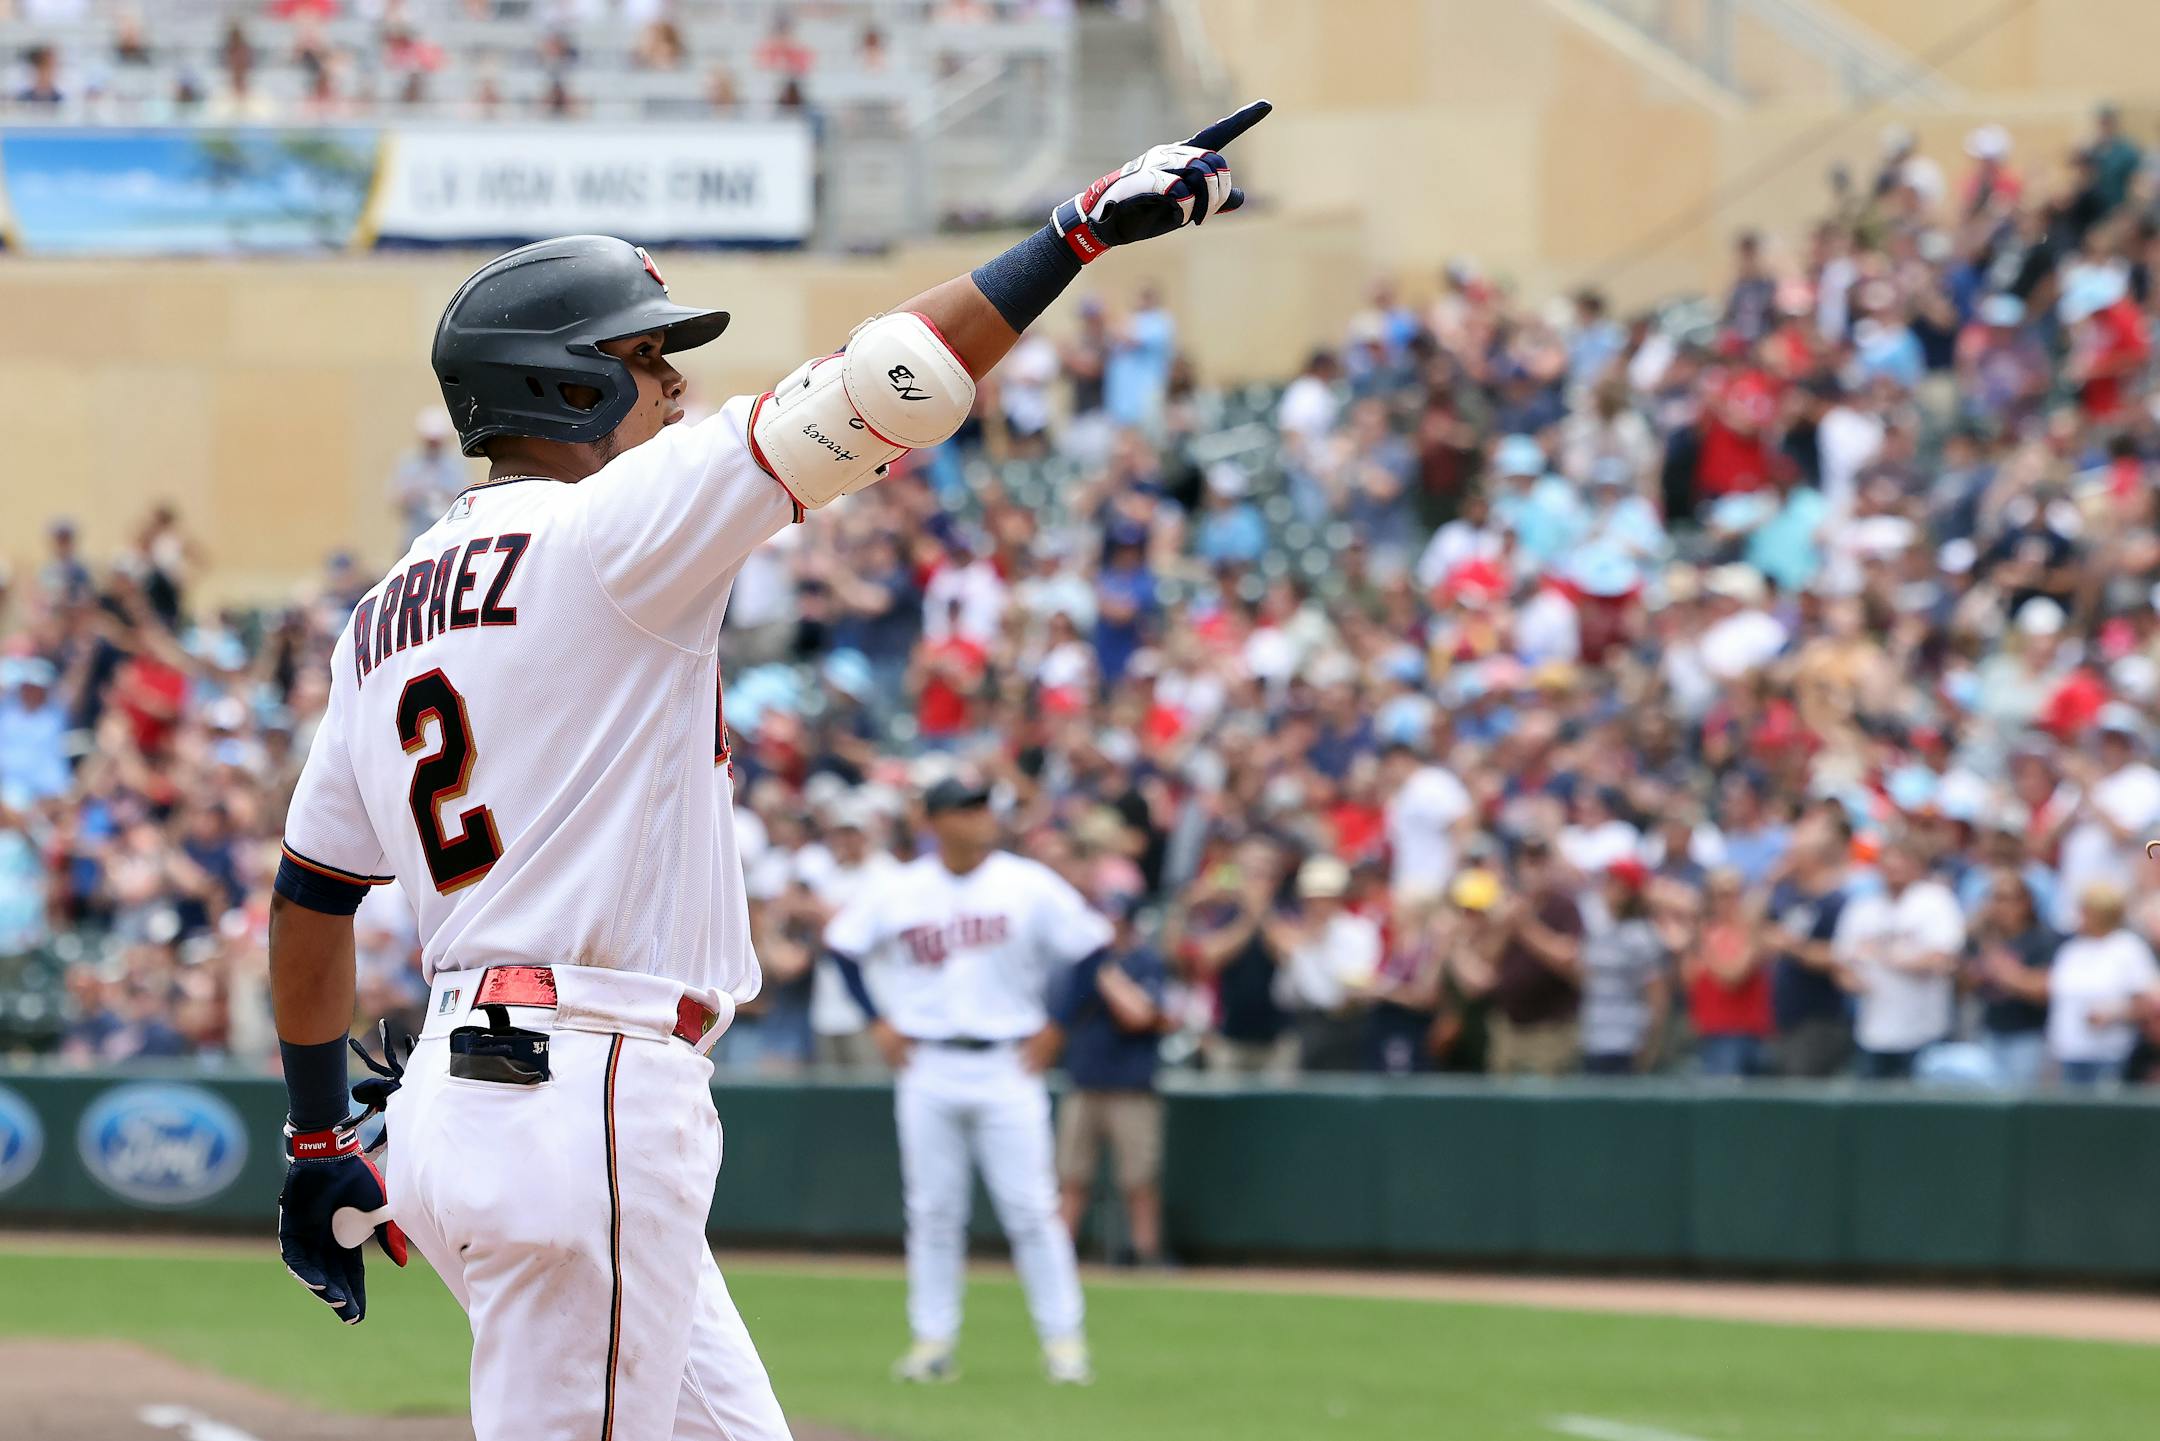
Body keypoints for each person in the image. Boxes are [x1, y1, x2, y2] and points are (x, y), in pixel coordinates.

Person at [267, 100, 1270, 1435]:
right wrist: (1070, 236)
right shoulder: (608, 532)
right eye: (645, 356)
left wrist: (321, 1134)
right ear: (567, 385)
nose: (674, 383)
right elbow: (873, 391)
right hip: (588, 1080)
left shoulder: (380, 614)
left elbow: (310, 898)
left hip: (477, 1090)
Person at [824, 774, 1111, 1386]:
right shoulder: (900, 889)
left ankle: (1064, 1343)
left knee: (1032, 1208)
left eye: (985, 807)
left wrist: (1057, 1024)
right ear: (935, 821)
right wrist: (878, 1022)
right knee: (932, 1211)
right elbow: (842, 948)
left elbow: (1092, 947)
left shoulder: (1026, 883)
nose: (981, 817)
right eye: (967, 808)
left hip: (1009, 1061)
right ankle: (933, 1340)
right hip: (926, 1062)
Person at [1052, 895, 1171, 1267]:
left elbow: (1138, 1015)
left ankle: (1146, 1253)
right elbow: (1058, 1011)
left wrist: (1106, 974)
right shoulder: (1079, 964)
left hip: (1131, 1086)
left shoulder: (1144, 961)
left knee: (1139, 1179)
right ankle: (1056, 1255)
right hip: (1085, 1082)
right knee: (1071, 1177)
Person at [1834, 834, 1965, 1078]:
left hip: (1923, 1031)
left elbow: (1943, 959)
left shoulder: (1935, 901)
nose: (1894, 867)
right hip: (1873, 1030)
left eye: (1902, 860)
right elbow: (1842, 964)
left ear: (1917, 864)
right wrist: (1852, 980)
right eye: (1888, 861)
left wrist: (1885, 955)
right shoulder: (1863, 908)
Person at [1763, 808, 1853, 1077]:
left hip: (1821, 1020)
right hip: (1783, 1017)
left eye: (1796, 854)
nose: (1789, 860)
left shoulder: (1837, 901)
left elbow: (1840, 956)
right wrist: (1768, 881)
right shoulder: (1788, 895)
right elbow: (1753, 925)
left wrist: (1792, 946)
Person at [2043, 881, 2160, 1087]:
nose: (2080, 917)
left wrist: (2112, 1015)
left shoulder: (2128, 947)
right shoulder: (2071, 950)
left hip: (2111, 1055)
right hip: (2068, 1053)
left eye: (2086, 911)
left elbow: (2147, 1004)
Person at [1965, 868, 2059, 1087]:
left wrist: (2004, 972)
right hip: (1989, 1030)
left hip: (2029, 1035)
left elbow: (2045, 989)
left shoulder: (2043, 938)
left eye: (2005, 899)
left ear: (2025, 903)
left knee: (2022, 1103)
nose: (1998, 906)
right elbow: (1962, 987)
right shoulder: (1980, 937)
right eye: (1993, 899)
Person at [1576, 858, 1670, 1075]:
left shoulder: (1643, 935)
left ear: (1629, 891)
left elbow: (1656, 994)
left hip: (1627, 1041)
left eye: (1614, 883)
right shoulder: (1596, 929)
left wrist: (1650, 1045)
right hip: (1593, 1037)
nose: (1607, 889)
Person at [1685, 868, 1772, 1077]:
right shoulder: (1708, 932)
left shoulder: (1752, 933)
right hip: (1711, 1030)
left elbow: (1733, 977)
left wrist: (1704, 946)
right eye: (1715, 895)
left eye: (1730, 894)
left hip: (1739, 1033)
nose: (1723, 902)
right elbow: (1689, 980)